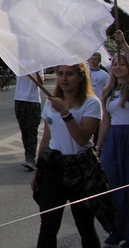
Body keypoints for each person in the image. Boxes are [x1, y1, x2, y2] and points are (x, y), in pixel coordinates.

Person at [31, 63, 114, 248]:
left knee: (84, 225)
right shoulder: (52, 102)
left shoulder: (91, 102)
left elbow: (82, 138)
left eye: (69, 74)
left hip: (80, 168)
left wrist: (65, 113)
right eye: (60, 74)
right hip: (53, 166)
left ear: (80, 77)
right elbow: (45, 139)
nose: (64, 79)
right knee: (48, 226)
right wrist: (38, 172)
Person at [96, 31, 129, 247]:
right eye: (114, 63)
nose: (117, 67)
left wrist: (123, 43)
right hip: (113, 141)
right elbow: (105, 122)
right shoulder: (109, 91)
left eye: (122, 63)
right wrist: (98, 146)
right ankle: (116, 229)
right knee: (112, 186)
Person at [14, 71, 43, 171]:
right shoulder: (18, 63)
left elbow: (41, 83)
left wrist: (37, 73)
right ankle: (27, 154)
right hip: (19, 99)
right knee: (24, 129)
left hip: (33, 101)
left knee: (32, 129)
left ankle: (31, 158)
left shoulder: (38, 64)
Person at [88, 51, 110, 145]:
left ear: (99, 61)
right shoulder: (85, 73)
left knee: (98, 127)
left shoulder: (104, 75)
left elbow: (109, 88)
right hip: (87, 102)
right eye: (92, 59)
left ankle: (97, 145)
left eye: (95, 59)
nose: (93, 61)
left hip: (100, 104)